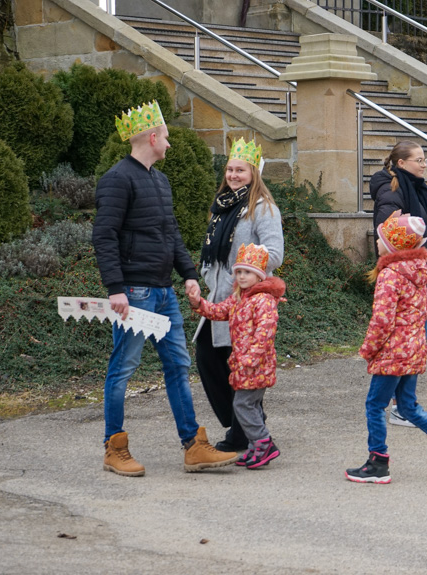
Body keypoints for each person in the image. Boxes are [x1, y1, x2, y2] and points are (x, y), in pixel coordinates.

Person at [93, 101, 237, 476]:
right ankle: (114, 447)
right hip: (134, 293)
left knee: (178, 365)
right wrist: (115, 288)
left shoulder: (159, 179)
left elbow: (169, 232)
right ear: (152, 137)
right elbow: (104, 235)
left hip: (163, 292)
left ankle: (193, 446)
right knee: (123, 368)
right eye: (168, 137)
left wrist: (188, 274)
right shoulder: (117, 178)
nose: (170, 145)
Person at [345, 212, 427, 483]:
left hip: (393, 354)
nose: (377, 243)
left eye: (381, 239)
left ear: (393, 246)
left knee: (375, 405)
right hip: (411, 350)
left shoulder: (390, 275)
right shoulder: (417, 272)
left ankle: (378, 462)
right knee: (407, 407)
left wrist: (369, 349)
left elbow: (382, 320)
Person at [192, 138, 284, 452]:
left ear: (253, 174)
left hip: (248, 301)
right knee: (209, 356)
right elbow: (213, 254)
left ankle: (241, 431)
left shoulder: (263, 208)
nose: (233, 175)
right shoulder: (223, 207)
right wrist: (206, 278)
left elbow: (275, 254)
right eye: (230, 169)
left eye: (240, 170)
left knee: (236, 367)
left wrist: (245, 268)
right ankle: (246, 422)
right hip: (220, 297)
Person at [189, 243, 286, 468]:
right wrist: (199, 304)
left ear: (259, 276)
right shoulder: (239, 298)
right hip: (243, 365)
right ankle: (256, 445)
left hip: (255, 366)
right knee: (246, 405)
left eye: (247, 272)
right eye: (239, 272)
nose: (242, 277)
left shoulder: (263, 301)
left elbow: (265, 333)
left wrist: (250, 359)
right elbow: (219, 311)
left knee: (243, 404)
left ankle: (264, 443)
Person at [369, 140, 427, 428]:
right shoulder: (392, 190)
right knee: (406, 342)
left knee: (413, 342)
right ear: (401, 163)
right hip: (405, 280)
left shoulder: (415, 187)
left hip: (418, 275)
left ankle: (403, 403)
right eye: (418, 160)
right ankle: (401, 405)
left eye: (425, 160)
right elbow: (390, 236)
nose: (424, 165)